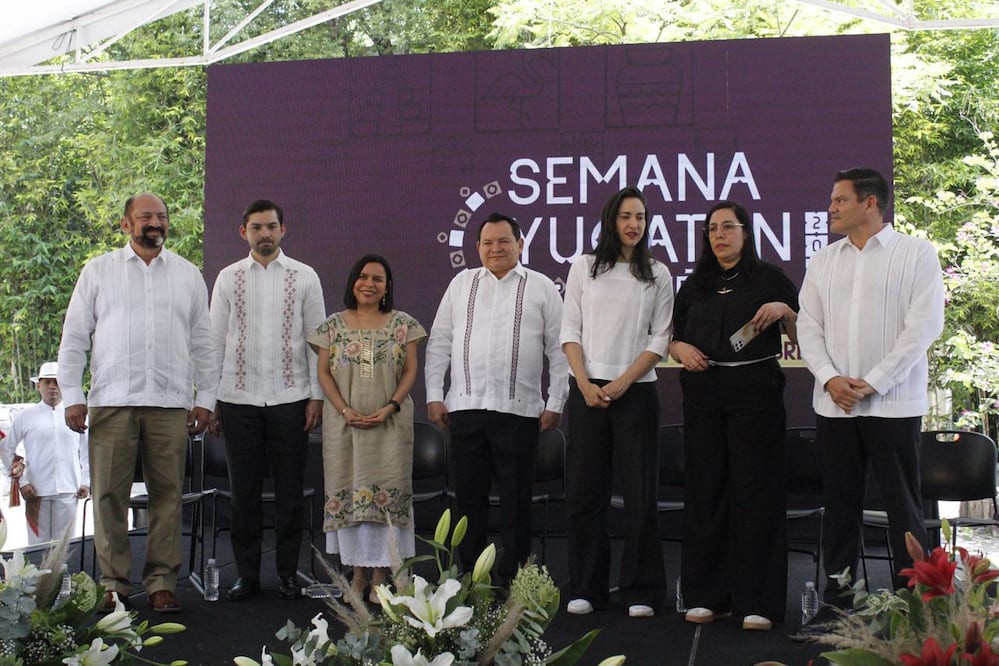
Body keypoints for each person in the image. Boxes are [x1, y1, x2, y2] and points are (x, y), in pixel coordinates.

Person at [58, 192, 217, 613]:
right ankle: (114, 584)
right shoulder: (98, 271)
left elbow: (204, 342)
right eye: (145, 216)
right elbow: (74, 337)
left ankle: (163, 582)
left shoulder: (187, 274)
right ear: (126, 223)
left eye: (161, 216)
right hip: (112, 399)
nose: (155, 223)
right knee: (110, 494)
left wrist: (206, 398)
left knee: (168, 494)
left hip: (170, 402)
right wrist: (73, 395)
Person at [797, 167, 944, 615]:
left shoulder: (916, 254)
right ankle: (838, 599)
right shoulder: (824, 260)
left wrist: (875, 382)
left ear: (870, 204)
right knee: (839, 506)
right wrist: (830, 378)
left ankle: (916, 602)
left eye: (840, 200)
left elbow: (924, 327)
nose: (831, 208)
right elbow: (808, 325)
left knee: (903, 505)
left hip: (894, 403)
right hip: (835, 403)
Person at [668, 201, 798, 631]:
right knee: (706, 492)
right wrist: (678, 348)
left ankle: (758, 601)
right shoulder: (695, 284)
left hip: (754, 394)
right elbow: (672, 337)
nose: (719, 235)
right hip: (704, 396)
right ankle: (708, 595)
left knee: (755, 493)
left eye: (728, 227)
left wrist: (784, 311)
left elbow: (804, 331)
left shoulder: (770, 278)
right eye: (712, 229)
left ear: (746, 232)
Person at [425, 212, 567, 582]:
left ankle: (513, 577)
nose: (495, 248)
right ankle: (470, 576)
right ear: (477, 247)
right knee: (468, 500)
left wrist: (555, 402)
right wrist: (434, 394)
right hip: (466, 409)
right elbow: (440, 341)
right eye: (488, 242)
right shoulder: (461, 283)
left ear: (520, 244)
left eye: (504, 241)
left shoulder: (541, 287)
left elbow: (560, 349)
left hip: (518, 413)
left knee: (516, 501)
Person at [560, 186, 673, 618]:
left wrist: (625, 381)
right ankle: (587, 587)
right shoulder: (584, 267)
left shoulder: (657, 273)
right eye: (626, 216)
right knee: (586, 494)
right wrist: (586, 384)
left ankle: (642, 590)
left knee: (640, 494)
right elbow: (570, 330)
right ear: (611, 221)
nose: (634, 224)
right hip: (587, 390)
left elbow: (660, 337)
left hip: (636, 392)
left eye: (641, 217)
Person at [209, 199, 326, 601]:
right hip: (238, 398)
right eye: (257, 227)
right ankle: (247, 576)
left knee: (291, 493)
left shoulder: (305, 276)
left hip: (290, 398)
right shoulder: (227, 278)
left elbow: (317, 343)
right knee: (244, 493)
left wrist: (316, 397)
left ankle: (289, 574)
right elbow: (212, 342)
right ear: (244, 232)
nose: (265, 234)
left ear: (283, 230)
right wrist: (209, 400)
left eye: (271, 226)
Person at [308, 254, 425, 601]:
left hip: (390, 426)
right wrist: (343, 409)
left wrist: (390, 407)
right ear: (352, 282)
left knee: (385, 498)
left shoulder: (405, 325)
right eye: (363, 277)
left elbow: (410, 372)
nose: (369, 284)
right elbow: (324, 372)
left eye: (378, 278)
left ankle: (380, 578)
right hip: (344, 426)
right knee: (351, 497)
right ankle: (356, 578)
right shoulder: (332, 326)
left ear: (387, 287)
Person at [0, 362, 90, 545]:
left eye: (56, 382)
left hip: (68, 489)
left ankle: (64, 575)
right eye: (47, 382)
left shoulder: (75, 416)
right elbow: (6, 448)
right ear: (38, 385)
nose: (52, 387)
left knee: (64, 547)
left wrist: (86, 482)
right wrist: (22, 482)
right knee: (37, 547)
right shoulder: (26, 416)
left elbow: (87, 452)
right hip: (36, 491)